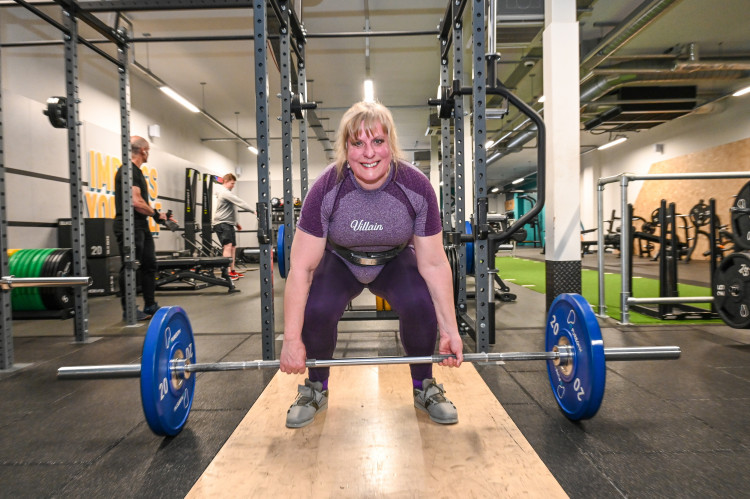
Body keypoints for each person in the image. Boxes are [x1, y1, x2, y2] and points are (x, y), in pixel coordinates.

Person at [279, 101, 464, 428]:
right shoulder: (326, 187)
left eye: (377, 141)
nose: (368, 153)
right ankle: (315, 388)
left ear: (390, 144)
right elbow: (302, 269)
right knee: (318, 308)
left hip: (394, 260)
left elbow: (434, 264)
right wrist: (292, 340)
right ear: (345, 148)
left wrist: (450, 330)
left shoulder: (416, 187)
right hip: (340, 261)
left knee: (420, 303)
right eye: (357, 143)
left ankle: (424, 386)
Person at [113, 136, 176, 321]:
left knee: (149, 265)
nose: (149, 153)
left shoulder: (138, 172)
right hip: (128, 225)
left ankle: (150, 305)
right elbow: (136, 202)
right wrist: (156, 215)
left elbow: (141, 204)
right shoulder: (128, 171)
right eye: (148, 150)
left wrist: (160, 216)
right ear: (143, 151)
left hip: (141, 225)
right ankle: (129, 310)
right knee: (130, 266)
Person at [212, 173, 255, 279]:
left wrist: (236, 223)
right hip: (222, 223)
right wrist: (254, 211)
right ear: (225, 182)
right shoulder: (225, 193)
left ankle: (232, 271)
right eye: (232, 183)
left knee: (233, 247)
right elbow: (241, 203)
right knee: (227, 246)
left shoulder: (227, 193)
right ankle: (226, 273)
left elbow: (230, 210)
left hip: (228, 223)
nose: (233, 186)